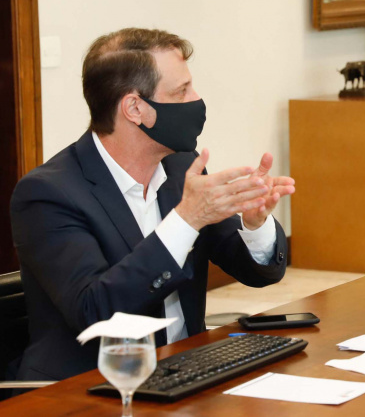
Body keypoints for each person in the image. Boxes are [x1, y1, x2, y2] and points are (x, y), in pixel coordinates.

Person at [10, 28, 295, 381]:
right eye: (181, 91)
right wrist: (185, 220)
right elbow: (97, 311)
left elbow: (254, 273)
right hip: (90, 388)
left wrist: (255, 224)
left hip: (187, 373)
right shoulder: (47, 194)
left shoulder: (180, 167)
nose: (197, 99)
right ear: (135, 108)